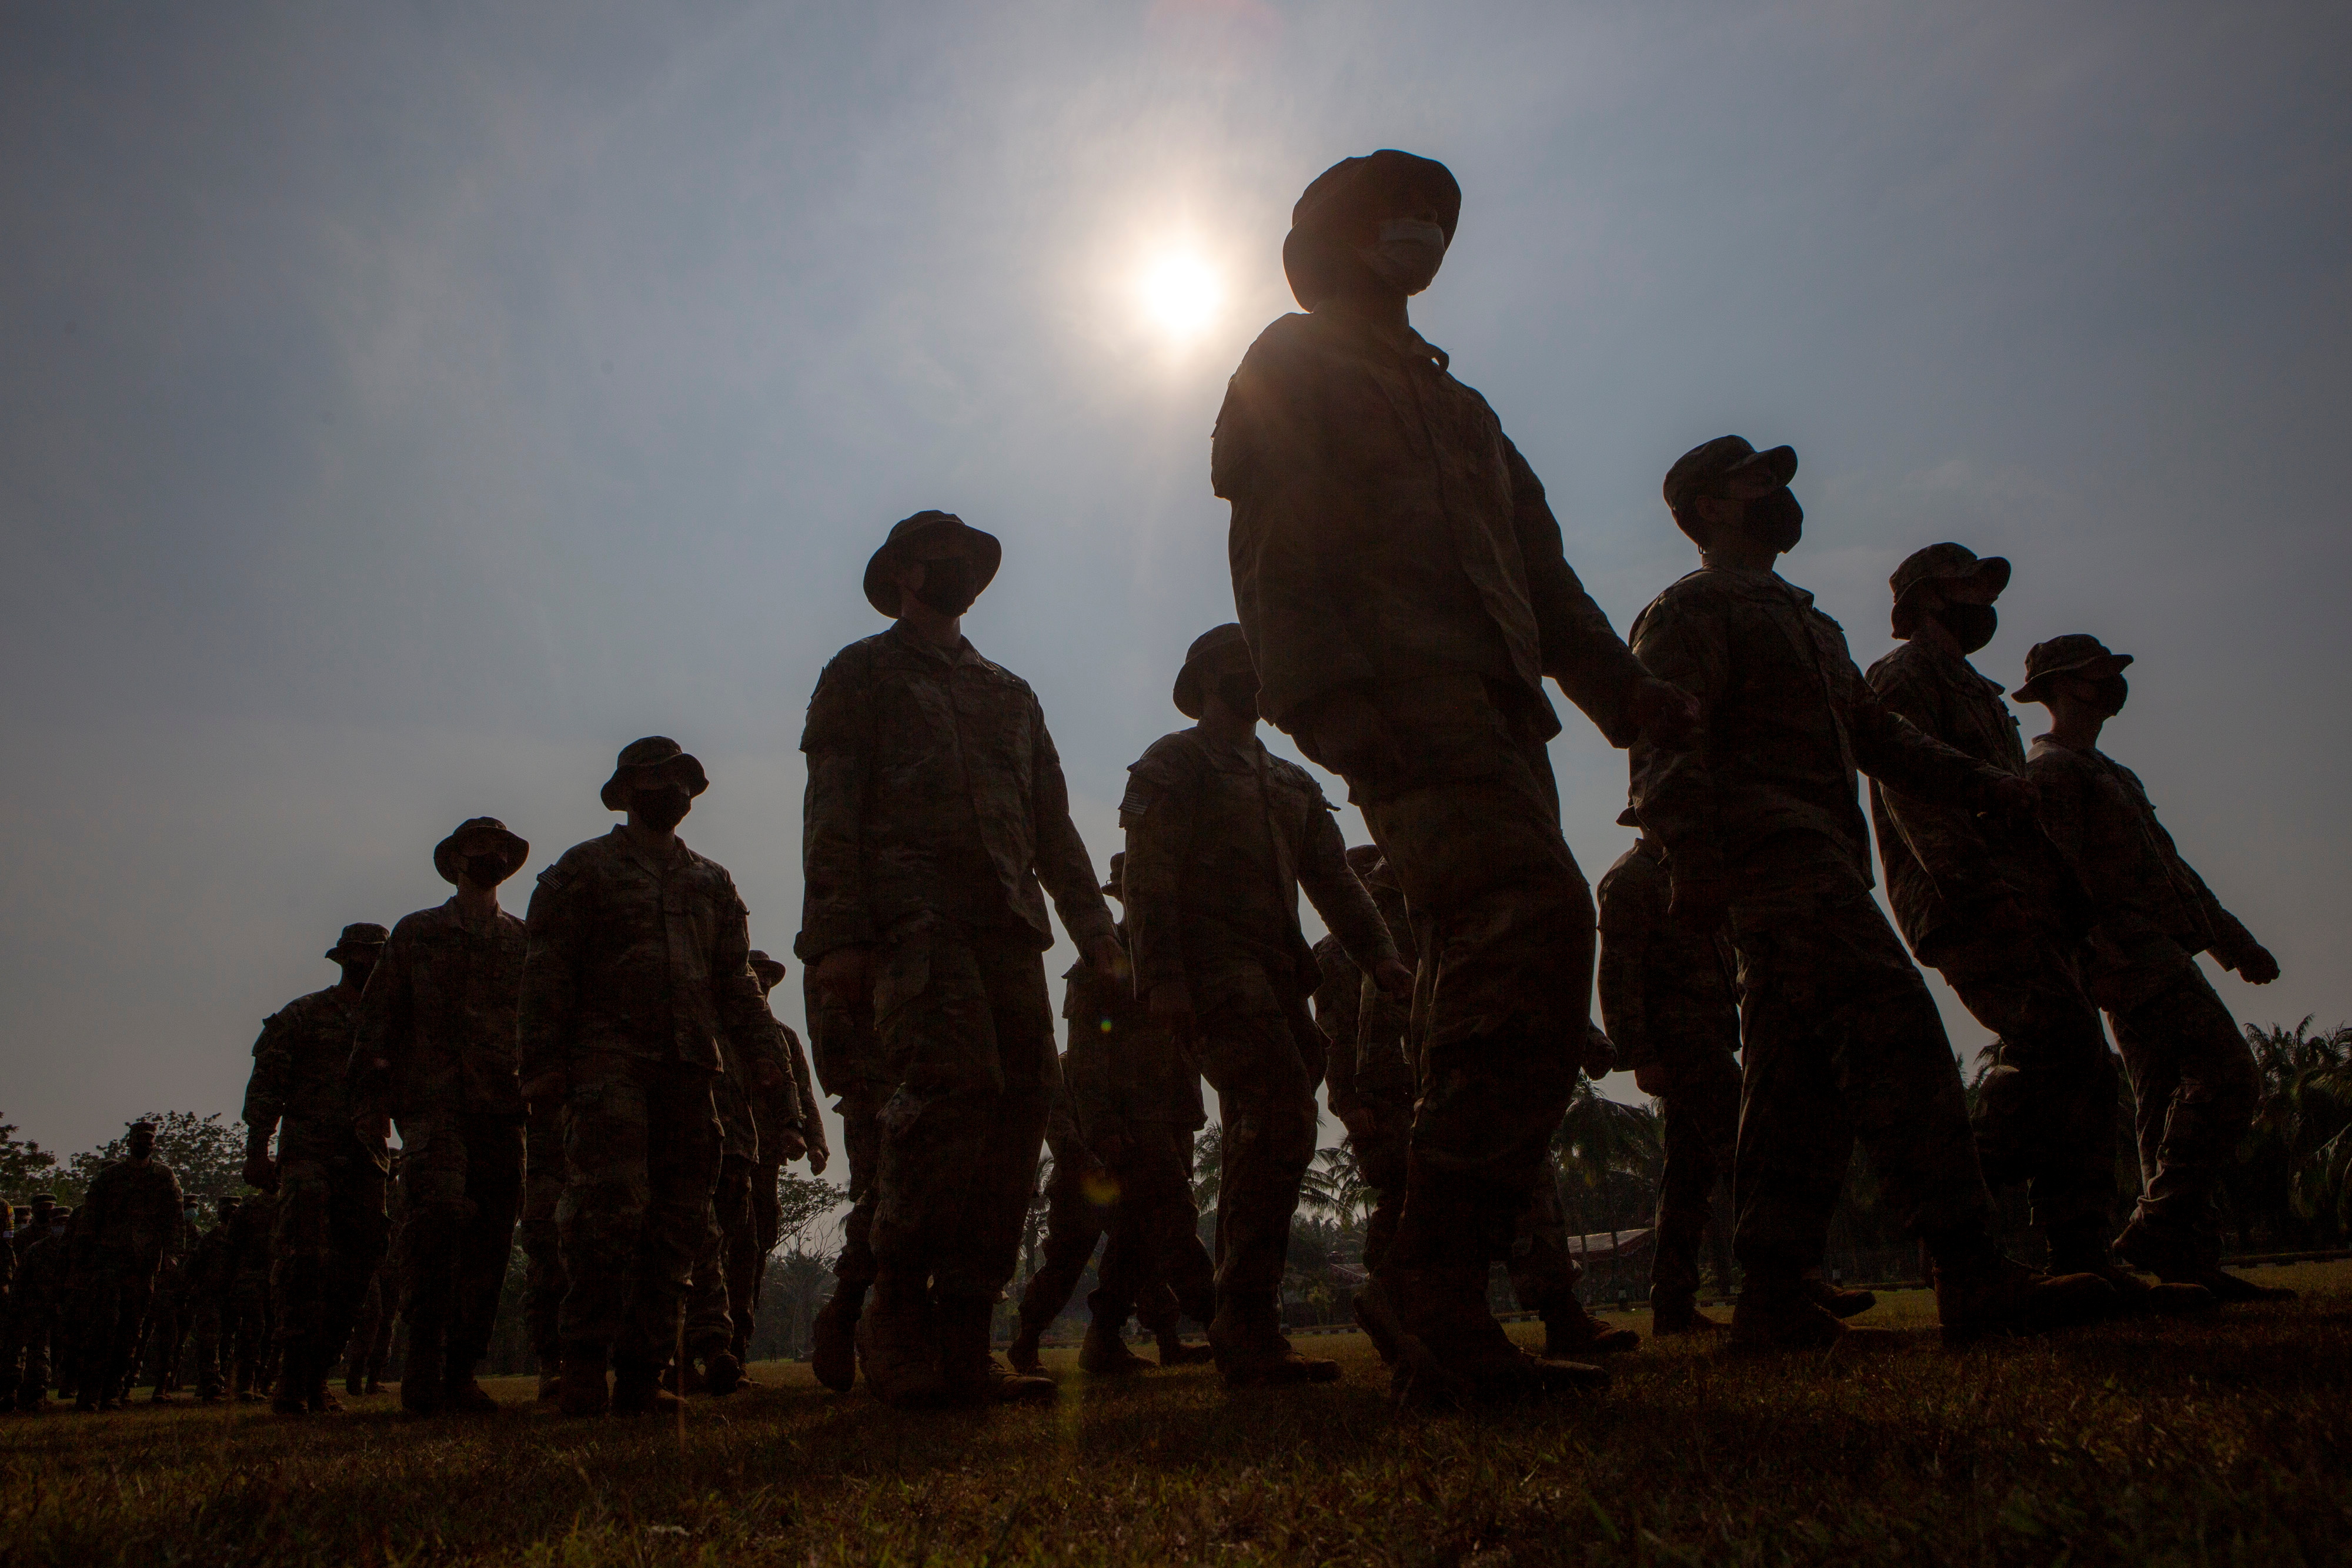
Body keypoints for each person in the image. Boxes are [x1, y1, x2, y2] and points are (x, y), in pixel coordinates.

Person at [1213, 149, 1699, 1403]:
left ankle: (1434, 1292)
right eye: (1392, 214)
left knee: (1517, 975)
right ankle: (1431, 1291)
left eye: (1434, 214)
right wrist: (1327, 705)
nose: (1420, 229)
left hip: (1500, 717)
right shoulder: (1294, 362)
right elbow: (1273, 550)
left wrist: (1624, 694)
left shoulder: (1463, 406)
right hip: (1400, 701)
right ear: (1336, 238)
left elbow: (1540, 575)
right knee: (1529, 921)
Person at [1627, 435, 2112, 1347]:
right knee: (1897, 1025)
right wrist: (1688, 856)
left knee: (1791, 1082)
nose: (1778, 493)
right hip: (1774, 858)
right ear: (1710, 506)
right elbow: (1661, 743)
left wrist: (1983, 783)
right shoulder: (1693, 610)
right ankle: (1970, 1270)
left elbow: (1874, 734)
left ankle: (1773, 1296)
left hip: (1824, 858)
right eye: (1757, 481)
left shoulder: (1811, 624)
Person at [799, 510, 1121, 1408]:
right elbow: (831, 807)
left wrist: (1095, 925)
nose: (960, 571)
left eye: (971, 560)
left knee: (1022, 1110)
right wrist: (837, 935)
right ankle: (892, 1313)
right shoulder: (861, 671)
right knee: (947, 1099)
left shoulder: (1011, 693)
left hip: (1008, 924)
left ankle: (966, 1331)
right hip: (913, 918)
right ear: (904, 571)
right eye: (942, 556)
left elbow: (1051, 823)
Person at [1866, 551, 2209, 1315]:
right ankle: (1960, 1216)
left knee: (2084, 1062)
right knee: (2058, 1042)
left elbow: (2021, 817)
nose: (1986, 602)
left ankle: (2082, 1253)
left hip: (2022, 900)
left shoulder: (1981, 695)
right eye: (1972, 588)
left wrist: (2071, 913)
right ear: (1929, 598)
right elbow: (1917, 800)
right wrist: (1982, 897)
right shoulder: (1904, 679)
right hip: (1967, 902)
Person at [1121, 623, 1408, 1386]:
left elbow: (1334, 879)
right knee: (1280, 1112)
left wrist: (1379, 952)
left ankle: (1247, 1318)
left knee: (1279, 1131)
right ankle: (1244, 1320)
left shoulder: (1290, 781)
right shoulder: (1173, 763)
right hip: (1212, 969)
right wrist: (1163, 979)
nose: (1256, 676)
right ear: (1210, 678)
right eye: (1239, 665)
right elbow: (1148, 881)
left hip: (1280, 976)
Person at [2017, 635, 2288, 1302]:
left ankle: (2186, 1259)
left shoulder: (2109, 772)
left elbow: (2172, 871)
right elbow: (2056, 876)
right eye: (2095, 674)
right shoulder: (2052, 772)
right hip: (2128, 954)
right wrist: (2095, 959)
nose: (2111, 683)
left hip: (2152, 947)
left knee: (2164, 1103)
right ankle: (2161, 1223)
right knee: (2227, 1076)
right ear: (2058, 688)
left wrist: (2233, 942)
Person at [518, 738, 775, 1416]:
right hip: (608, 1065)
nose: (674, 793)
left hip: (692, 1070)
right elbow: (546, 974)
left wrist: (768, 1059)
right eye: (659, 781)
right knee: (608, 1215)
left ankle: (642, 1373)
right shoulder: (584, 871)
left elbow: (734, 980)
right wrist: (542, 1067)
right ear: (628, 790)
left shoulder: (711, 882)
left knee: (679, 1227)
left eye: (683, 782)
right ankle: (581, 1370)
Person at [352, 817, 533, 1414]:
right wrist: (372, 1104)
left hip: (504, 1110)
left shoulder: (524, 941)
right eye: (477, 849)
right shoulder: (418, 934)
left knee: (489, 1245)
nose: (489, 857)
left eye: (498, 851)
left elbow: (543, 1021)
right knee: (434, 1232)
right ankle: (423, 1370)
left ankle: (461, 1372)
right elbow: (378, 1019)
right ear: (454, 861)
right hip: (433, 1106)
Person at [1053, 853, 1217, 1372]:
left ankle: (1104, 1338)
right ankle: (1226, 1320)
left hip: (1175, 1113)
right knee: (1173, 1218)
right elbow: (1084, 1053)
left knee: (1139, 1233)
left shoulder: (1179, 955)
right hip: (1132, 1121)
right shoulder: (1102, 961)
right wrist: (1101, 1125)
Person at [1596, 809, 1742, 1333]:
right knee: (1743, 1151)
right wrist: (1640, 1053)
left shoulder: (1691, 872)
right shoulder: (1631, 880)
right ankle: (1789, 1275)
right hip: (1681, 1042)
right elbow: (1618, 973)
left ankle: (1674, 1302)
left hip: (1710, 1032)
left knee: (1690, 1175)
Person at [243, 923, 393, 1413]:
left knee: (358, 1267)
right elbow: (267, 1081)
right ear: (344, 958)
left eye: (375, 955)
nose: (367, 962)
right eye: (360, 954)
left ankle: (317, 1374)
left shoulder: (392, 1023)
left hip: (368, 1159)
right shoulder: (305, 1013)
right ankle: (291, 1377)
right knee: (303, 1262)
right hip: (310, 1154)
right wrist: (257, 1149)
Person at [730, 953, 819, 1378]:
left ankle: (735, 1347)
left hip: (764, 1157)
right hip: (721, 1148)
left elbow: (802, 1090)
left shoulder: (782, 1037)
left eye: (769, 978)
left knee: (757, 1242)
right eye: (757, 975)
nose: (763, 983)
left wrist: (813, 1140)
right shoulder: (723, 1031)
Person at [802, 965, 889, 1392]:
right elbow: (828, 981)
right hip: (874, 1078)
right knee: (885, 1196)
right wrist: (848, 1074)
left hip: (934, 1057)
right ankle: (850, 1311)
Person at [71, 1125, 185, 1410]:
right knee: (102, 1325)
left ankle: (113, 1391)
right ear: (130, 1142)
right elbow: (90, 1216)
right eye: (140, 1139)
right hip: (109, 1259)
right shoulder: (110, 1177)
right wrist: (84, 1257)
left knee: (131, 1330)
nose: (145, 1144)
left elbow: (175, 1217)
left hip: (144, 1263)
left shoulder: (163, 1176)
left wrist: (172, 1255)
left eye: (150, 1140)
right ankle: (89, 1392)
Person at [182, 1195, 240, 1403]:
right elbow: (193, 1266)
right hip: (210, 1296)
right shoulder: (210, 1239)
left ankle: (220, 1380)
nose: (231, 1214)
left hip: (233, 1297)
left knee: (227, 1341)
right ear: (220, 1213)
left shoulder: (242, 1240)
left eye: (235, 1210)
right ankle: (209, 1383)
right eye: (228, 1210)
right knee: (209, 1340)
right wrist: (188, 1290)